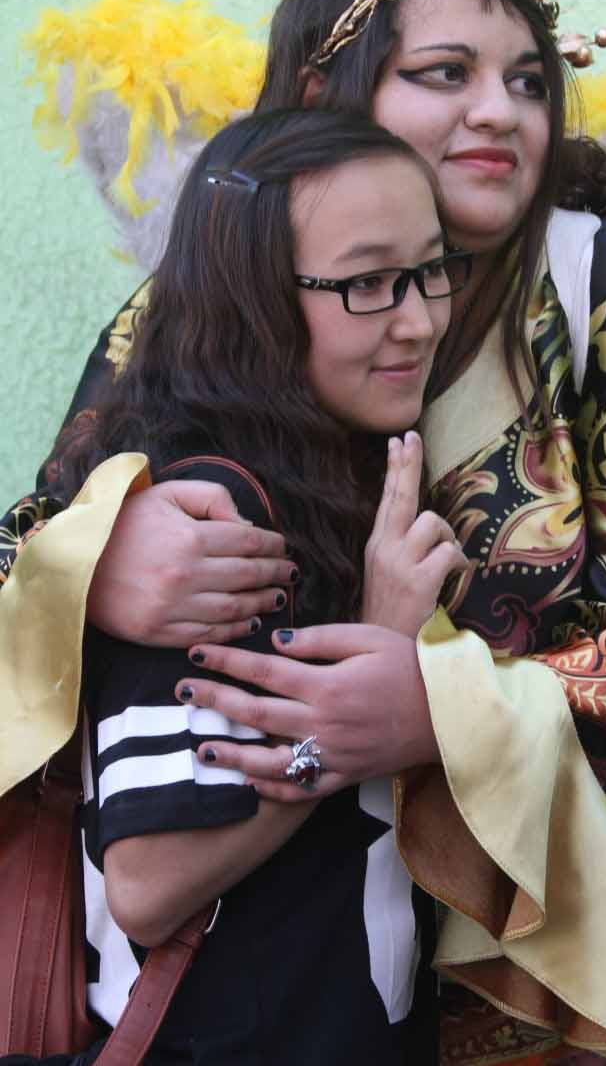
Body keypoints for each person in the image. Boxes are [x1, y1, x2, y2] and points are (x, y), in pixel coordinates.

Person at [1, 0, 606, 1064]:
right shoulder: (205, 287)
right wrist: (98, 557)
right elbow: (27, 539)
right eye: (445, 73)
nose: (498, 110)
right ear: (323, 94)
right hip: (316, 967)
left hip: (576, 961)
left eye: (528, 79)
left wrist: (437, 712)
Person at [3, 106, 475, 1066]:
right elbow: (149, 880)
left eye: (432, 270)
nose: (419, 319)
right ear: (252, 300)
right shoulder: (212, 520)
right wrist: (363, 682)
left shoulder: (329, 473)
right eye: (366, 283)